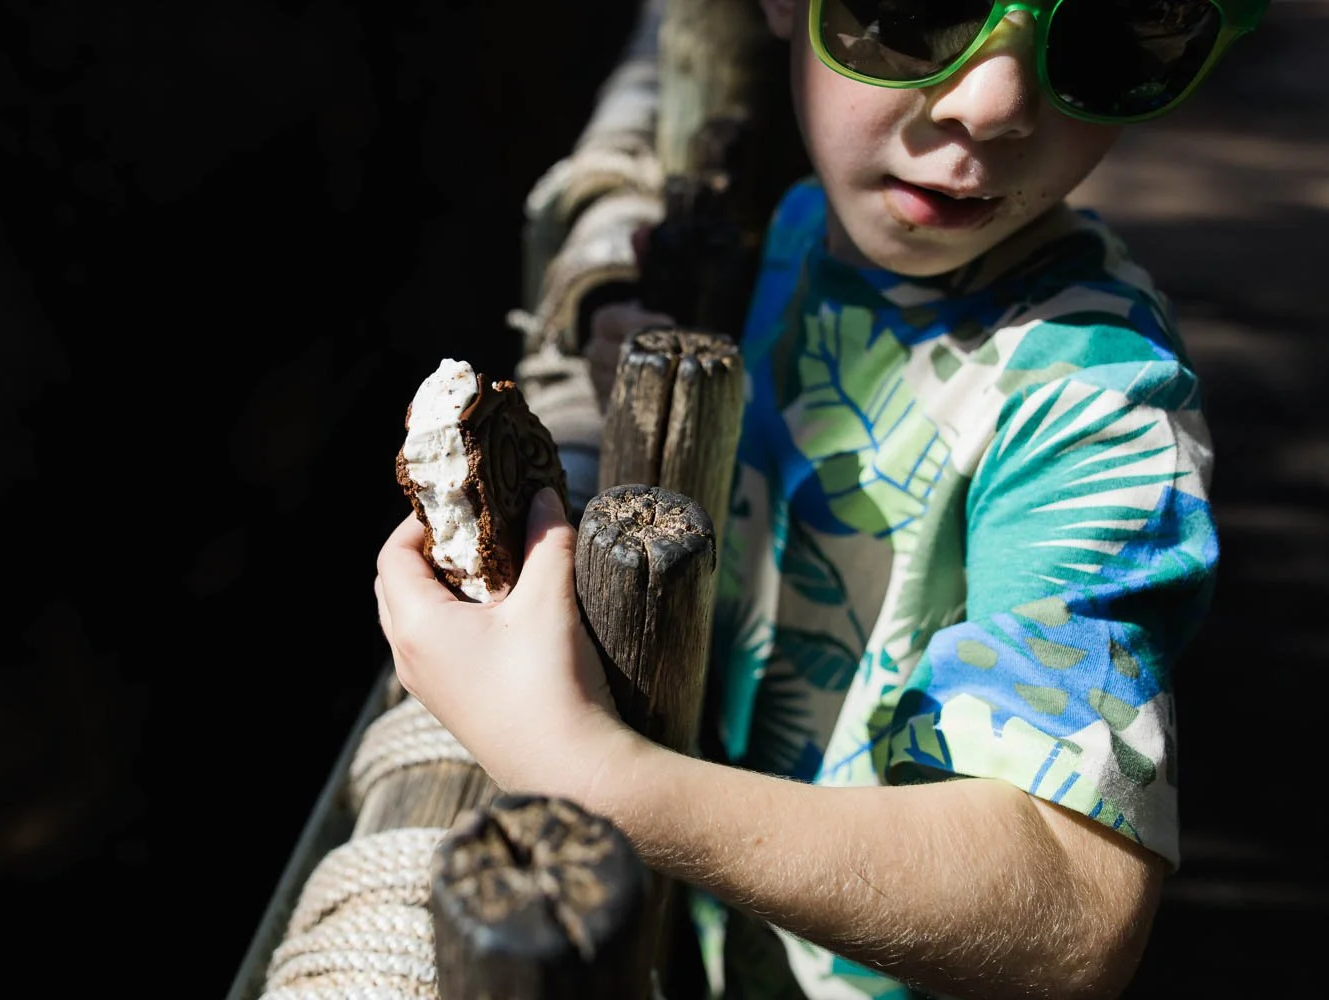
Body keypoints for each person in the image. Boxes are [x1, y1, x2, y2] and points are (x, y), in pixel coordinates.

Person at [374, 1, 1268, 997]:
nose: (994, 103)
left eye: (1115, 32)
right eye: (916, 8)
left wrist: (587, 771)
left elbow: (1073, 899)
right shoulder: (805, 226)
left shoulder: (1095, 397)